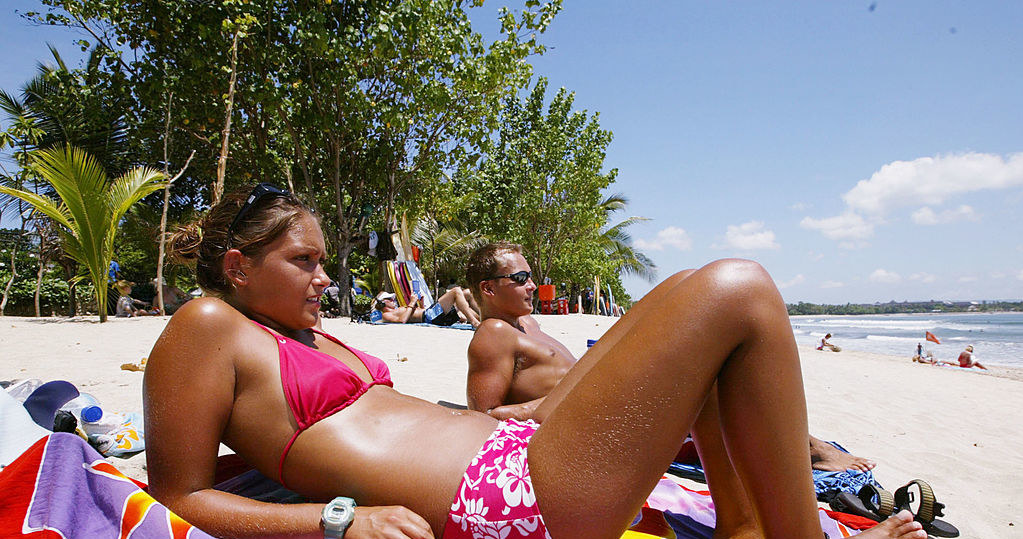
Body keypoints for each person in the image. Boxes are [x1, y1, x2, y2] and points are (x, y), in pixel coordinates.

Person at [143, 183, 925, 539]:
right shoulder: (207, 324)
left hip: (512, 456)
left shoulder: (301, 338)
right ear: (239, 267)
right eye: (303, 261)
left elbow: (390, 426)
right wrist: (340, 520)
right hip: (509, 499)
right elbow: (181, 493)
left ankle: (750, 525)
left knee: (690, 296)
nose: (325, 277)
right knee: (736, 290)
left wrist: (525, 414)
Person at [465, 242, 877, 477]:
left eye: (530, 276)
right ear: (487, 288)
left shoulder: (526, 325)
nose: (533, 285)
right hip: (584, 422)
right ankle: (807, 450)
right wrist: (552, 407)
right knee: (699, 375)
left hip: (597, 405)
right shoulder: (494, 334)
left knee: (689, 313)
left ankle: (804, 446)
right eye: (520, 279)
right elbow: (481, 415)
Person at [371, 287, 481, 328]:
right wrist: (412, 302)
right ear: (383, 303)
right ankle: (474, 322)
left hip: (431, 314)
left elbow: (415, 314)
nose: (393, 300)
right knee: (456, 291)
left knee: (467, 293)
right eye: (390, 299)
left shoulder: (397, 310)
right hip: (430, 316)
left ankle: (486, 317)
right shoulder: (387, 315)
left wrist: (420, 303)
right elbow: (402, 321)